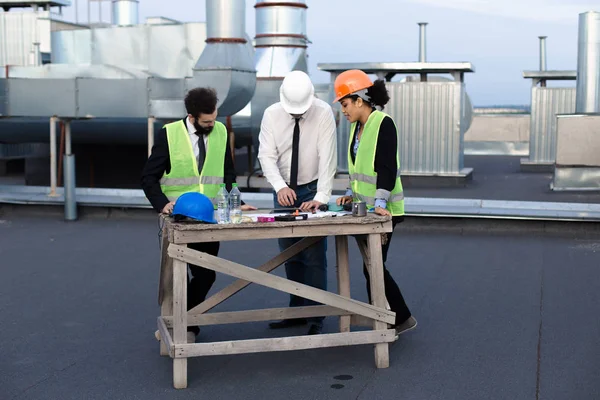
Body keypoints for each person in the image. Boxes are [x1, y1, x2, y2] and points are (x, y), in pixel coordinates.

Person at [141, 87, 256, 343]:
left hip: (209, 218)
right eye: (206, 122)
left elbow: (227, 172)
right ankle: (186, 328)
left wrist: (239, 201)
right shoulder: (169, 135)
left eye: (214, 119)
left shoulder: (221, 131)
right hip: (179, 218)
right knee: (179, 276)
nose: (211, 124)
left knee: (206, 274)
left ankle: (183, 324)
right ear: (191, 117)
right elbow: (148, 177)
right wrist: (162, 204)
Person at [333, 69, 417, 337]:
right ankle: (388, 319)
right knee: (372, 267)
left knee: (374, 267)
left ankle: (395, 319)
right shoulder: (356, 128)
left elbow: (386, 167)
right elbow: (358, 169)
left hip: (383, 210)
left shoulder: (383, 122)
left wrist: (380, 202)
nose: (343, 111)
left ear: (359, 100)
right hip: (364, 209)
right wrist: (349, 192)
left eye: (345, 104)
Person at [257, 70, 337, 335]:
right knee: (289, 254)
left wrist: (321, 197)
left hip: (312, 189)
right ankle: (296, 310)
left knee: (314, 256)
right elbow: (266, 156)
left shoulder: (323, 112)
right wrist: (279, 187)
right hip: (283, 192)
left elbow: (327, 158)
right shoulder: (271, 114)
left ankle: (316, 316)